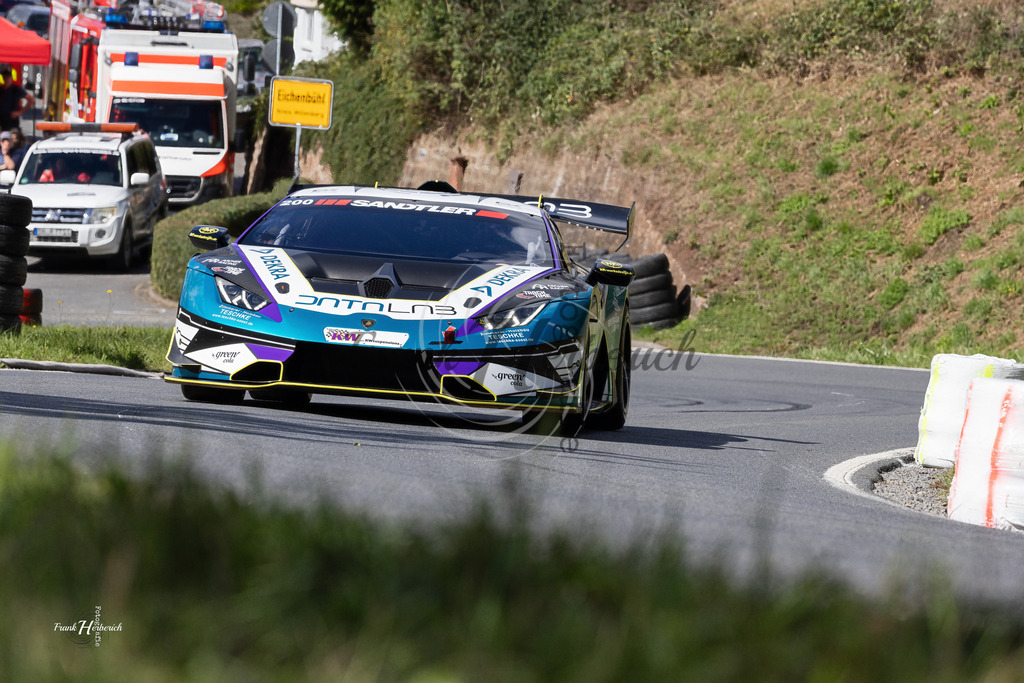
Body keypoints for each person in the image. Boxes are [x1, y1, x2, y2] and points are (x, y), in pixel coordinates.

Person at [0, 65, 34, 131]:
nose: (6, 79)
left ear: (11, 78)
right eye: (4, 77)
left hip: (12, 120)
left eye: (8, 77)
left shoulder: (16, 89)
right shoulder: (1, 89)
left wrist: (20, 112)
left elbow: (31, 100)